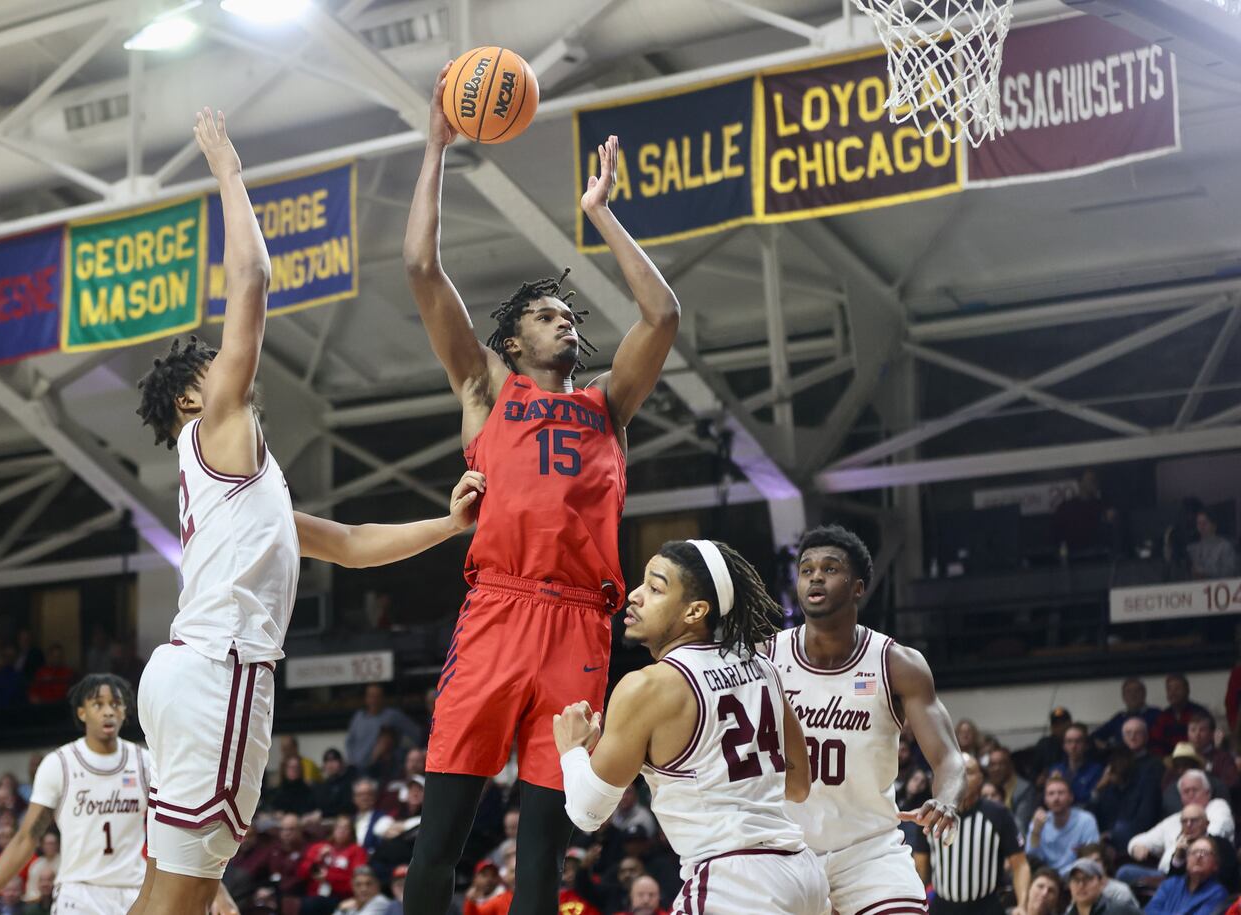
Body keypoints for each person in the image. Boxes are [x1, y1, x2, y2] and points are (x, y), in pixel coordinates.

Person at [128, 110, 488, 915]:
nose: (234, 371)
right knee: (181, 898)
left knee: (186, 890)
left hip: (191, 670)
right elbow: (251, 283)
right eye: (216, 368)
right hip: (220, 669)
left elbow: (351, 543)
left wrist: (446, 524)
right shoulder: (217, 426)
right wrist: (225, 163)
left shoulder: (239, 487)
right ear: (195, 393)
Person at [401, 50, 682, 915]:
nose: (565, 322)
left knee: (541, 858)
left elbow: (662, 315)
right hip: (497, 610)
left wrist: (601, 215)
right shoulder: (487, 389)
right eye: (546, 315)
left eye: (570, 315)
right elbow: (420, 269)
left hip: (576, 622)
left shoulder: (609, 406)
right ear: (513, 340)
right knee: (440, 837)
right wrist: (438, 146)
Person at [552, 539, 828, 914]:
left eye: (655, 588)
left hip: (731, 883)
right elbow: (798, 786)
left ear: (695, 610)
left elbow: (588, 813)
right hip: (802, 874)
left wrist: (572, 752)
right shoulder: (764, 669)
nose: (634, 595)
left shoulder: (648, 686)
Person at [767, 525, 965, 915]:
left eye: (830, 568)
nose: (816, 577)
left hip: (868, 850)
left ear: (858, 587)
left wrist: (946, 801)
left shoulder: (897, 664)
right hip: (783, 849)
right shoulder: (766, 658)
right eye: (807, 570)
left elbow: (949, 758)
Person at [0, 674, 152, 915]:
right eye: (98, 704)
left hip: (135, 891)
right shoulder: (59, 764)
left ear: (125, 711)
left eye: (115, 704)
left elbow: (179, 827)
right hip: (78, 894)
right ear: (82, 713)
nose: (108, 711)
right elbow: (27, 838)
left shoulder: (145, 762)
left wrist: (214, 891)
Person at [908, 754, 1029, 915]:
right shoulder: (932, 814)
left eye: (969, 772)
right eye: (956, 773)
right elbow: (921, 866)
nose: (962, 778)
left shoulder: (998, 814)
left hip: (986, 907)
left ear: (980, 779)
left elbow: (1020, 864)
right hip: (943, 907)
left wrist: (1022, 904)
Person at [346, 685, 424, 773]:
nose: (374, 700)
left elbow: (417, 734)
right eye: (371, 696)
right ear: (366, 698)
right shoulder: (358, 717)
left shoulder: (392, 716)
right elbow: (349, 742)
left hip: (383, 770)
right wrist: (352, 760)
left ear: (383, 698)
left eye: (377, 696)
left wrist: (400, 751)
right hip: (358, 769)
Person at [1143, 835, 1227, 915]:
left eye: (1205, 853)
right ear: (1187, 860)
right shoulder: (1170, 884)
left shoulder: (1218, 893)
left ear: (1215, 865)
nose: (1198, 856)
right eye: (1194, 852)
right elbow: (1149, 911)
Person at [1030, 776, 1101, 871]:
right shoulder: (1038, 821)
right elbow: (1032, 860)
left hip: (1077, 875)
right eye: (1051, 794)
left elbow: (1092, 857)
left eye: (1061, 793)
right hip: (1047, 877)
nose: (1056, 798)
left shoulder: (1086, 821)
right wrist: (1036, 833)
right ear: (1045, 800)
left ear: (1070, 797)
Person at [1151, 675, 1211, 757]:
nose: (1173, 693)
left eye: (1177, 689)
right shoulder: (1162, 717)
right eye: (1169, 689)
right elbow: (1156, 743)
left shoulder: (1199, 712)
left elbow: (1206, 740)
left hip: (1197, 757)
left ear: (1187, 690)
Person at [1093, 679, 1160, 750]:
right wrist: (1105, 745)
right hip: (1122, 757)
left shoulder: (1156, 715)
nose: (1133, 695)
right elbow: (1095, 736)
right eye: (1128, 692)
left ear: (1144, 694)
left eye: (1137, 691)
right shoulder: (1119, 718)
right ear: (1123, 696)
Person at [1050, 724, 1107, 805]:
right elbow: (1049, 800)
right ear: (1064, 746)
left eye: (1078, 742)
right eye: (1069, 741)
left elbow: (1093, 800)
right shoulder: (1056, 769)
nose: (1073, 746)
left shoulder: (1096, 770)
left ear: (1086, 745)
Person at [1060, 859, 1138, 915]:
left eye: (1088, 878)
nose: (1081, 885)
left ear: (1101, 882)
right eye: (1076, 880)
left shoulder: (1120, 910)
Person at [989, 746, 1040, 826]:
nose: (996, 768)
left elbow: (1020, 824)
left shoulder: (1024, 789)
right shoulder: (987, 788)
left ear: (1010, 765)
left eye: (1001, 764)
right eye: (992, 764)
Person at [1187, 712, 1238, 789]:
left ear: (1212, 734)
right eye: (1193, 730)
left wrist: (1209, 769)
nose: (1197, 734)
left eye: (1202, 730)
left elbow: (1231, 784)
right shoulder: (1181, 757)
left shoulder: (1223, 758)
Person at [1187, 510, 1239, 580]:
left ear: (1214, 526)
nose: (1201, 527)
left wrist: (1205, 571)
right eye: (1199, 523)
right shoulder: (1194, 548)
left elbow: (1230, 572)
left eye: (1205, 523)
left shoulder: (1225, 546)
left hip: (1220, 588)